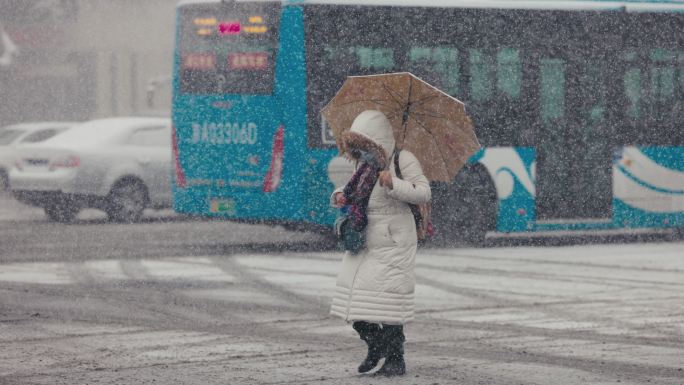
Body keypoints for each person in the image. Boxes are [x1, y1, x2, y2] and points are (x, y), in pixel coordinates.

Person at [330, 110, 431, 376]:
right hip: (366, 238)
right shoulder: (364, 164)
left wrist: (394, 183)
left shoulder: (402, 159)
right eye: (357, 147)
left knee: (389, 303)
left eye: (365, 146)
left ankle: (395, 360)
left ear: (377, 142)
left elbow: (423, 192)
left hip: (394, 239)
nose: (361, 152)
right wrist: (340, 194)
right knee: (353, 302)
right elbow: (353, 190)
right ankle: (375, 346)